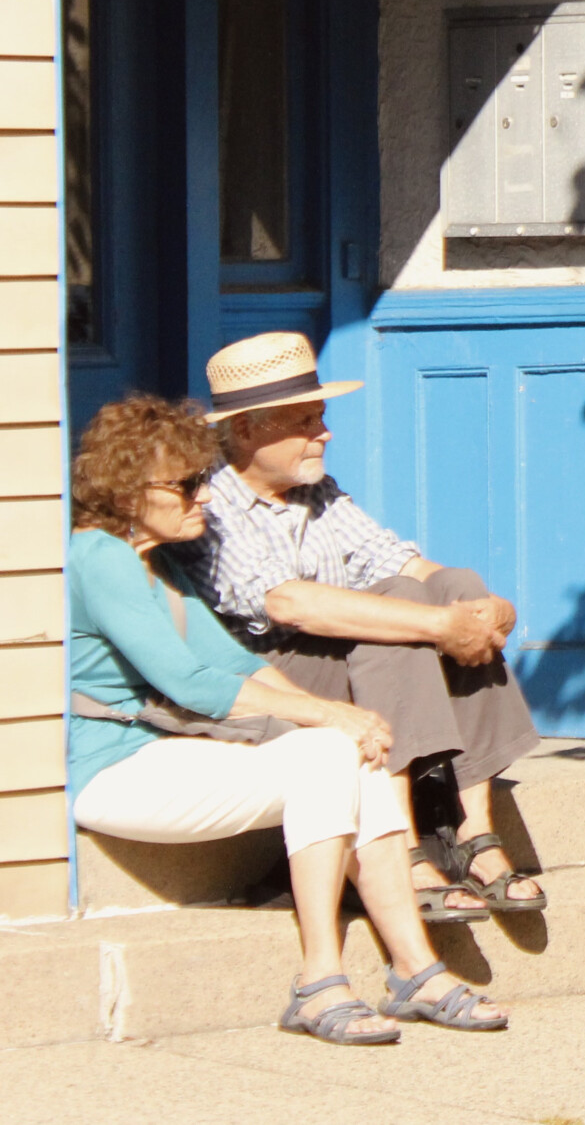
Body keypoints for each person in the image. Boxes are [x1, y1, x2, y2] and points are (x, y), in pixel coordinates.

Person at [68, 395, 507, 1042]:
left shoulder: (157, 562)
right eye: (187, 485)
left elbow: (236, 662)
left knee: (343, 750)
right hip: (113, 770)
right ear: (130, 491)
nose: (205, 498)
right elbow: (187, 680)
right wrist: (325, 712)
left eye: (203, 481)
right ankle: (320, 978)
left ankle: (417, 970)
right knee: (331, 746)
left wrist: (340, 722)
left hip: (168, 758)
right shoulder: (98, 557)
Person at [173, 332, 545, 923]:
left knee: (457, 585)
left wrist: (484, 609)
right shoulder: (214, 503)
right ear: (246, 430)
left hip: (337, 656)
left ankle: (474, 831)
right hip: (273, 676)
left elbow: (401, 560)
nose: (325, 433)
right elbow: (291, 605)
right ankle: (399, 843)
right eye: (304, 421)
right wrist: (438, 624)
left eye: (320, 416)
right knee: (397, 621)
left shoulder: (314, 491)